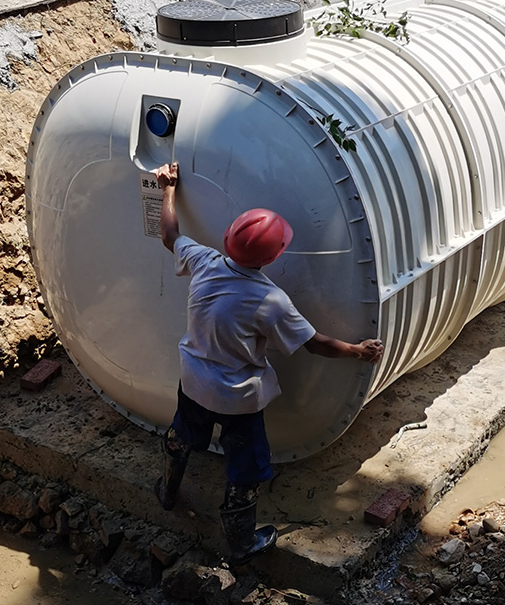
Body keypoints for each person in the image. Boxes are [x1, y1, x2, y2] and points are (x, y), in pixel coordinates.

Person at [152, 162, 383, 563]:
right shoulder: (270, 300)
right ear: (275, 256)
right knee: (247, 468)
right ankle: (241, 542)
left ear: (227, 238)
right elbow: (315, 344)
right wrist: (358, 351)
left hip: (193, 381)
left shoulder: (204, 261)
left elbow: (170, 235)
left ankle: (168, 492)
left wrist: (168, 188)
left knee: (183, 435)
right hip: (237, 398)